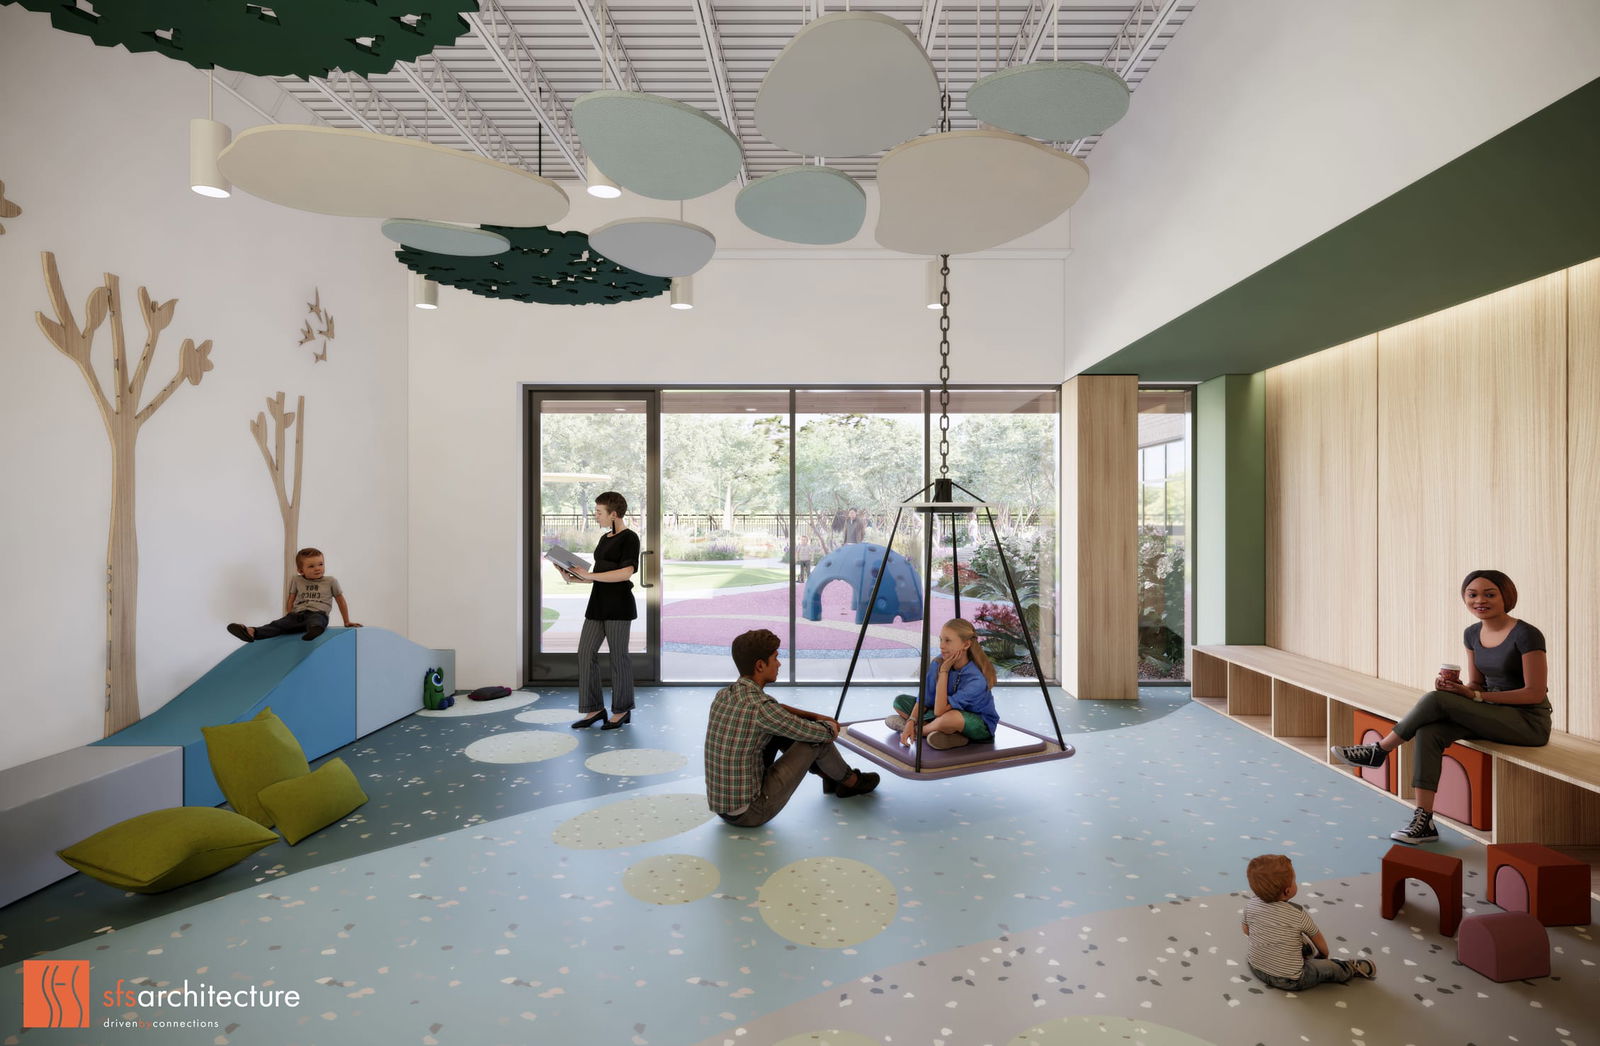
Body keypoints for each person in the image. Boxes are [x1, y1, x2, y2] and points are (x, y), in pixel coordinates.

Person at [1331, 569, 1552, 844]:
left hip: (1527, 722)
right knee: (1429, 731)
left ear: (1506, 596)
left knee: (1436, 701)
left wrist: (1477, 699)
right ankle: (1424, 820)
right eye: (1472, 595)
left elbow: (1534, 693)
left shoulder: (1527, 634)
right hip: (1492, 713)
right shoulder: (1472, 633)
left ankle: (1380, 750)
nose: (1479, 600)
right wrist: (1459, 689)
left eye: (1489, 594)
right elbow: (1477, 684)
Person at [705, 629, 879, 826]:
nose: (779, 664)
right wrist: (829, 725)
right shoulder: (761, 709)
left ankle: (830, 777)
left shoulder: (725, 694)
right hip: (751, 812)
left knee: (782, 731)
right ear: (760, 665)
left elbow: (777, 709)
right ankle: (851, 782)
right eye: (775, 658)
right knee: (816, 741)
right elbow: (824, 734)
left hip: (724, 808)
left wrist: (814, 716)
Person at [1242, 853, 1376, 990]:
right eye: (1294, 881)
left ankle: (1297, 950)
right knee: (1327, 968)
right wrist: (1323, 955)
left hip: (1256, 967)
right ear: (1287, 891)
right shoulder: (1297, 913)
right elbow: (1317, 937)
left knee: (1288, 933)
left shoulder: (1251, 904)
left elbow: (1247, 930)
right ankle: (1350, 968)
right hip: (1290, 979)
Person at [564, 491, 640, 730]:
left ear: (614, 514)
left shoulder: (630, 538)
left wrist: (590, 575)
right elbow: (599, 576)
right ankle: (594, 709)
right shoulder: (605, 538)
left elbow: (626, 572)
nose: (596, 516)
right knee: (585, 653)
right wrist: (576, 578)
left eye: (599, 512)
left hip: (619, 606)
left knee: (619, 658)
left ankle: (622, 710)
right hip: (597, 604)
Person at [884, 618, 999, 750]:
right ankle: (946, 734)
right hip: (943, 714)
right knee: (900, 702)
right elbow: (925, 698)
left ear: (966, 645)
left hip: (976, 725)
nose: (941, 646)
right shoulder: (938, 663)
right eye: (941, 640)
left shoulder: (976, 680)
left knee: (951, 718)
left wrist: (944, 672)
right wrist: (912, 720)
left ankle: (917, 731)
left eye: (948, 641)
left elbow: (939, 711)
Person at [227, 547, 361, 643]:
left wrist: (346, 621)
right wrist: (290, 615)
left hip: (318, 613)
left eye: (320, 564)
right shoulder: (297, 580)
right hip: (297, 615)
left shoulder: (330, 581)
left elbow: (340, 600)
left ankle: (314, 631)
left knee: (316, 620)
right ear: (300, 570)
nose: (318, 568)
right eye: (311, 566)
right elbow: (291, 598)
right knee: (277, 625)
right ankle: (250, 631)